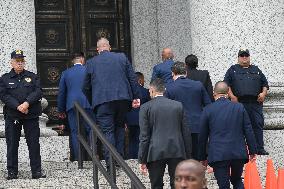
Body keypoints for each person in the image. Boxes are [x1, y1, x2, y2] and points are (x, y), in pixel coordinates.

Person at [83, 38, 140, 162]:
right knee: (119, 127)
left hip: (102, 102)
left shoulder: (91, 62)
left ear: (98, 49)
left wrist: (93, 100)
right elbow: (132, 78)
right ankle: (119, 159)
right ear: (109, 47)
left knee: (107, 131)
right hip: (123, 100)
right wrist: (135, 96)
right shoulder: (122, 57)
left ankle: (111, 163)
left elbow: (85, 86)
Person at [198, 81, 258, 189]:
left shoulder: (208, 110)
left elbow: (202, 136)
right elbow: (248, 129)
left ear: (214, 93)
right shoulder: (239, 107)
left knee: (223, 184)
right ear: (227, 93)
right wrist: (253, 150)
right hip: (238, 153)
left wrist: (202, 157)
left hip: (218, 154)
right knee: (237, 180)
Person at [0, 50, 46, 180]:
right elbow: (3, 95)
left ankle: (36, 171)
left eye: (22, 61)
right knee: (12, 144)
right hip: (13, 115)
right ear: (11, 62)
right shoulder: (4, 78)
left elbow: (38, 91)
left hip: (30, 115)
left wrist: (26, 103)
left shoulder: (32, 76)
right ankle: (12, 171)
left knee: (33, 144)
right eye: (17, 61)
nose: (20, 64)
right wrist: (18, 106)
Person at [138, 78, 192, 189]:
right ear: (165, 89)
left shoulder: (145, 107)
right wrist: (188, 155)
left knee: (156, 185)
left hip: (155, 151)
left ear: (152, 90)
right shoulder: (178, 105)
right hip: (177, 150)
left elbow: (144, 136)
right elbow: (186, 132)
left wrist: (142, 159)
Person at [224, 48, 269, 155]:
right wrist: (232, 96)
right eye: (242, 55)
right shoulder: (232, 69)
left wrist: (263, 93)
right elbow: (226, 84)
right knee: (238, 125)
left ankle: (259, 148)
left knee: (257, 124)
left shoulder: (256, 69)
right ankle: (239, 149)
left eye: (246, 55)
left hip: (255, 103)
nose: (244, 57)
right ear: (238, 57)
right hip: (239, 103)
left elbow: (265, 84)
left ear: (249, 57)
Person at [164, 61, 211, 160]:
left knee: (182, 158)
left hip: (178, 127)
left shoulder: (169, 88)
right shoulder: (198, 85)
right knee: (197, 157)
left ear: (173, 73)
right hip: (198, 125)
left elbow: (166, 109)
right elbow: (208, 105)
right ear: (186, 73)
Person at [57, 52, 93, 161]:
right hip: (88, 103)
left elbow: (62, 92)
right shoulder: (89, 70)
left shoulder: (66, 73)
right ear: (82, 59)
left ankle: (78, 158)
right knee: (91, 129)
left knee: (75, 131)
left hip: (72, 105)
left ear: (73, 61)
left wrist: (61, 109)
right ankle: (92, 155)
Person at [125, 72, 150, 159]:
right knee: (141, 139)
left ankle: (132, 157)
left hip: (130, 119)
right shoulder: (146, 92)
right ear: (140, 80)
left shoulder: (128, 92)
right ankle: (141, 157)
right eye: (143, 80)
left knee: (132, 139)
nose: (144, 81)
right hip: (142, 119)